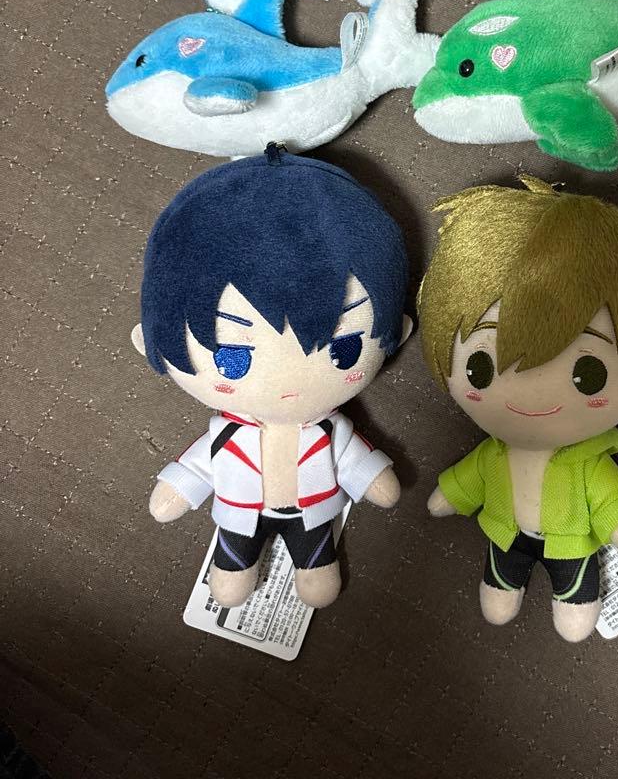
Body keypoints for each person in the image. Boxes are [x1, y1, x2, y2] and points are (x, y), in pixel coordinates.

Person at [135, 145, 411, 608]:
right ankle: (234, 569)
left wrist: (373, 479)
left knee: (317, 565)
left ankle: (314, 567)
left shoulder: (330, 431)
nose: (290, 387)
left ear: (396, 334)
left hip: (314, 514)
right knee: (232, 572)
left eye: (343, 350)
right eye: (233, 359)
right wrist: (176, 490)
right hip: (238, 516)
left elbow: (356, 462)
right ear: (152, 342)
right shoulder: (227, 437)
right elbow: (197, 467)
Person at [419, 176, 618, 641]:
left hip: (570, 543)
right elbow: (470, 477)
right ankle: (504, 586)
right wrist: (449, 496)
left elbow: (611, 497)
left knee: (575, 589)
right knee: (501, 577)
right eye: (479, 368)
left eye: (588, 375)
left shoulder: (588, 464)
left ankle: (573, 599)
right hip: (504, 533)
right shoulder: (495, 453)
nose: (530, 394)